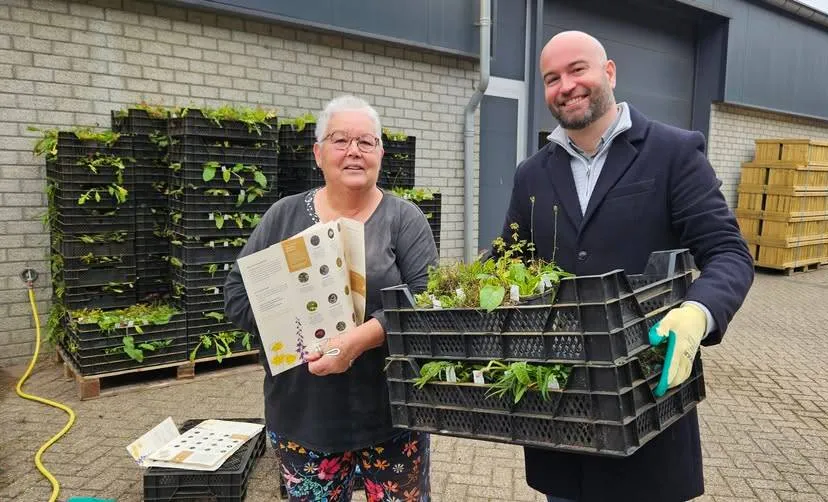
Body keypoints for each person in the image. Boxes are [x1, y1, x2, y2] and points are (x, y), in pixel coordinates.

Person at [495, 31, 754, 501]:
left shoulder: (673, 152)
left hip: (647, 404)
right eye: (552, 78)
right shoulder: (532, 173)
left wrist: (700, 311)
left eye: (578, 70)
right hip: (561, 415)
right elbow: (506, 258)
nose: (566, 85)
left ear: (609, 72)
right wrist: (450, 295)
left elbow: (728, 253)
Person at [224, 95, 438, 502]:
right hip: (305, 416)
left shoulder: (403, 219)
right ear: (318, 153)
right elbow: (237, 294)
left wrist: (360, 339)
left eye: (366, 141)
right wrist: (296, 330)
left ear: (380, 153)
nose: (354, 151)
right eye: (340, 140)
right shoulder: (284, 217)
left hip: (391, 415)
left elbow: (425, 302)